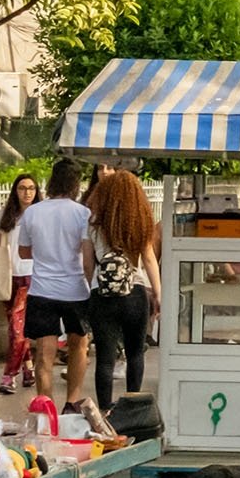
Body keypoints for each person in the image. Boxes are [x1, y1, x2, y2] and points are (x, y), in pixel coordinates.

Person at [15, 157, 95, 410]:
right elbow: (86, 256)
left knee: (44, 355)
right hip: (75, 290)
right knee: (79, 346)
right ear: (76, 184)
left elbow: (23, 252)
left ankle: (46, 405)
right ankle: (72, 401)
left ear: (51, 180)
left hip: (42, 291)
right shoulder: (83, 214)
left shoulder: (33, 212)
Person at [85, 170, 160, 413]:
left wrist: (90, 290)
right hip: (135, 294)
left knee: (105, 359)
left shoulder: (94, 223)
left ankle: (105, 411)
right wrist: (158, 293)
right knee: (135, 353)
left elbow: (87, 263)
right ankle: (132, 407)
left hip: (102, 295)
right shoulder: (139, 222)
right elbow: (149, 259)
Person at [0, 174, 40, 394]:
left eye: (31, 188)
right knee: (15, 327)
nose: (27, 193)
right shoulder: (6, 215)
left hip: (31, 275)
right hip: (8, 276)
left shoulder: (40, 214)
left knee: (17, 329)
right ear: (15, 191)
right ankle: (28, 369)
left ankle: (9, 375)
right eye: (22, 188)